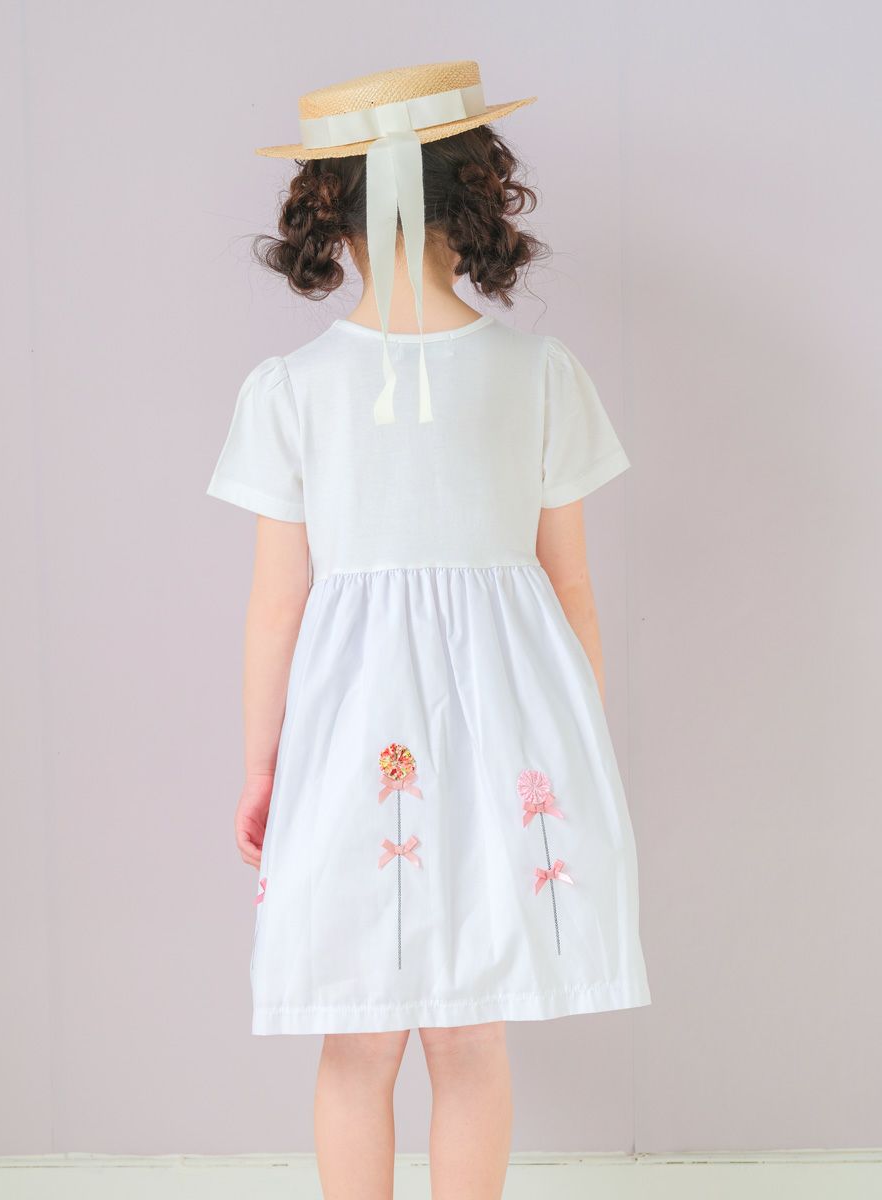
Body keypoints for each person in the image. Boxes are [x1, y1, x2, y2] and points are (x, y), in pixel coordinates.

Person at [205, 60, 651, 1200]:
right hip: (506, 730)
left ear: (331, 216)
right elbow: (571, 590)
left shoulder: (291, 388)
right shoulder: (539, 372)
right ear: (478, 203)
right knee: (470, 1033)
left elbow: (276, 605)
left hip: (351, 732)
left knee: (358, 1037)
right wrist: (575, 749)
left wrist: (262, 768)